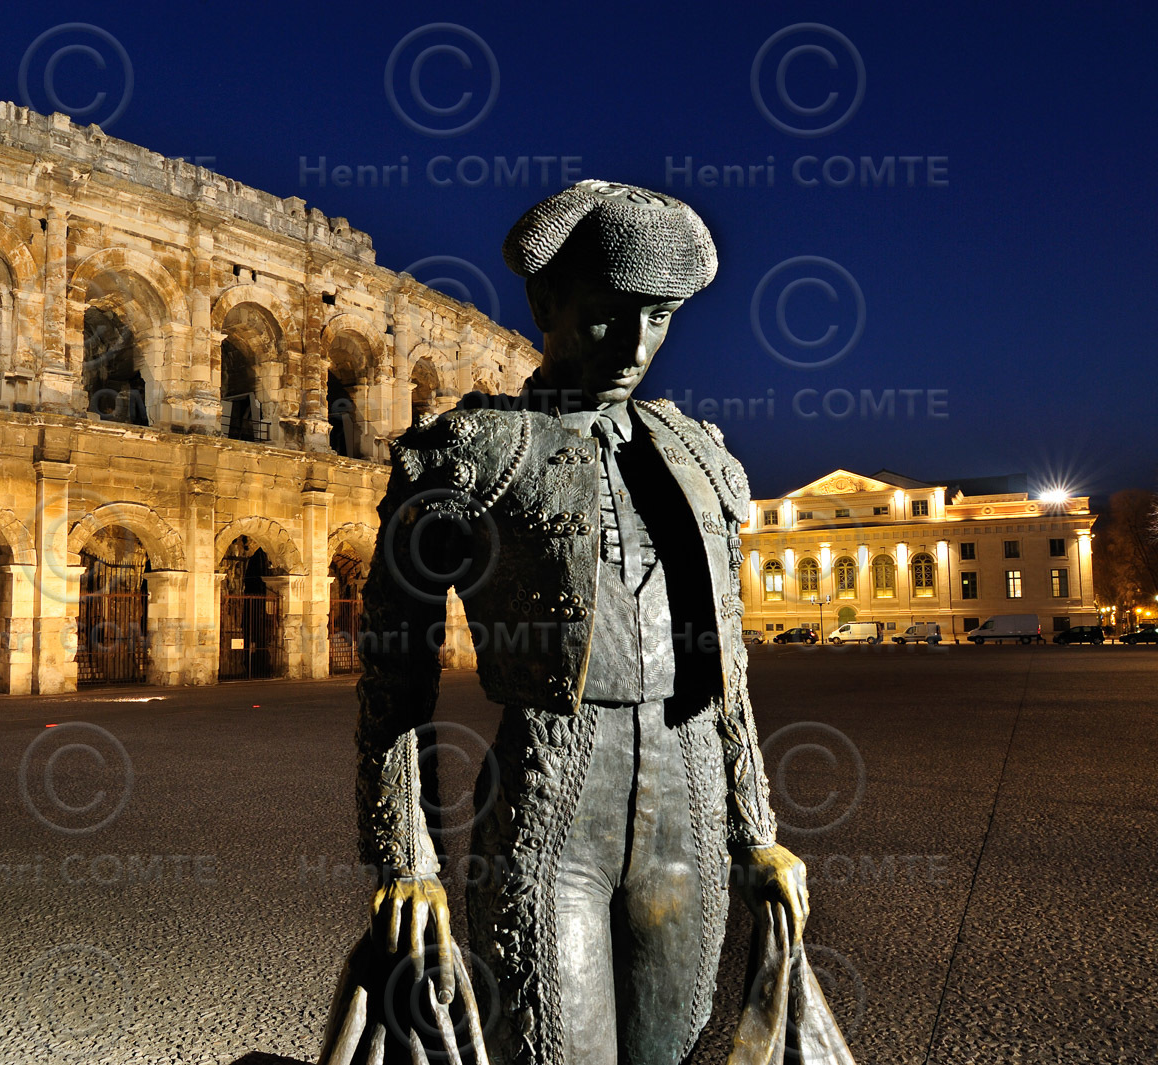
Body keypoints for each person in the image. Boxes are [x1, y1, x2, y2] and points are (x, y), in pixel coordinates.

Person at [321, 180, 850, 1065]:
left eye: (660, 317)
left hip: (686, 810)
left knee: (668, 1052)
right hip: (548, 804)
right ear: (546, 302)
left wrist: (756, 828)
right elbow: (394, 662)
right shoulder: (472, 453)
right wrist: (406, 854)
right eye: (609, 315)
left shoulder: (700, 457)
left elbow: (724, 665)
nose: (635, 345)